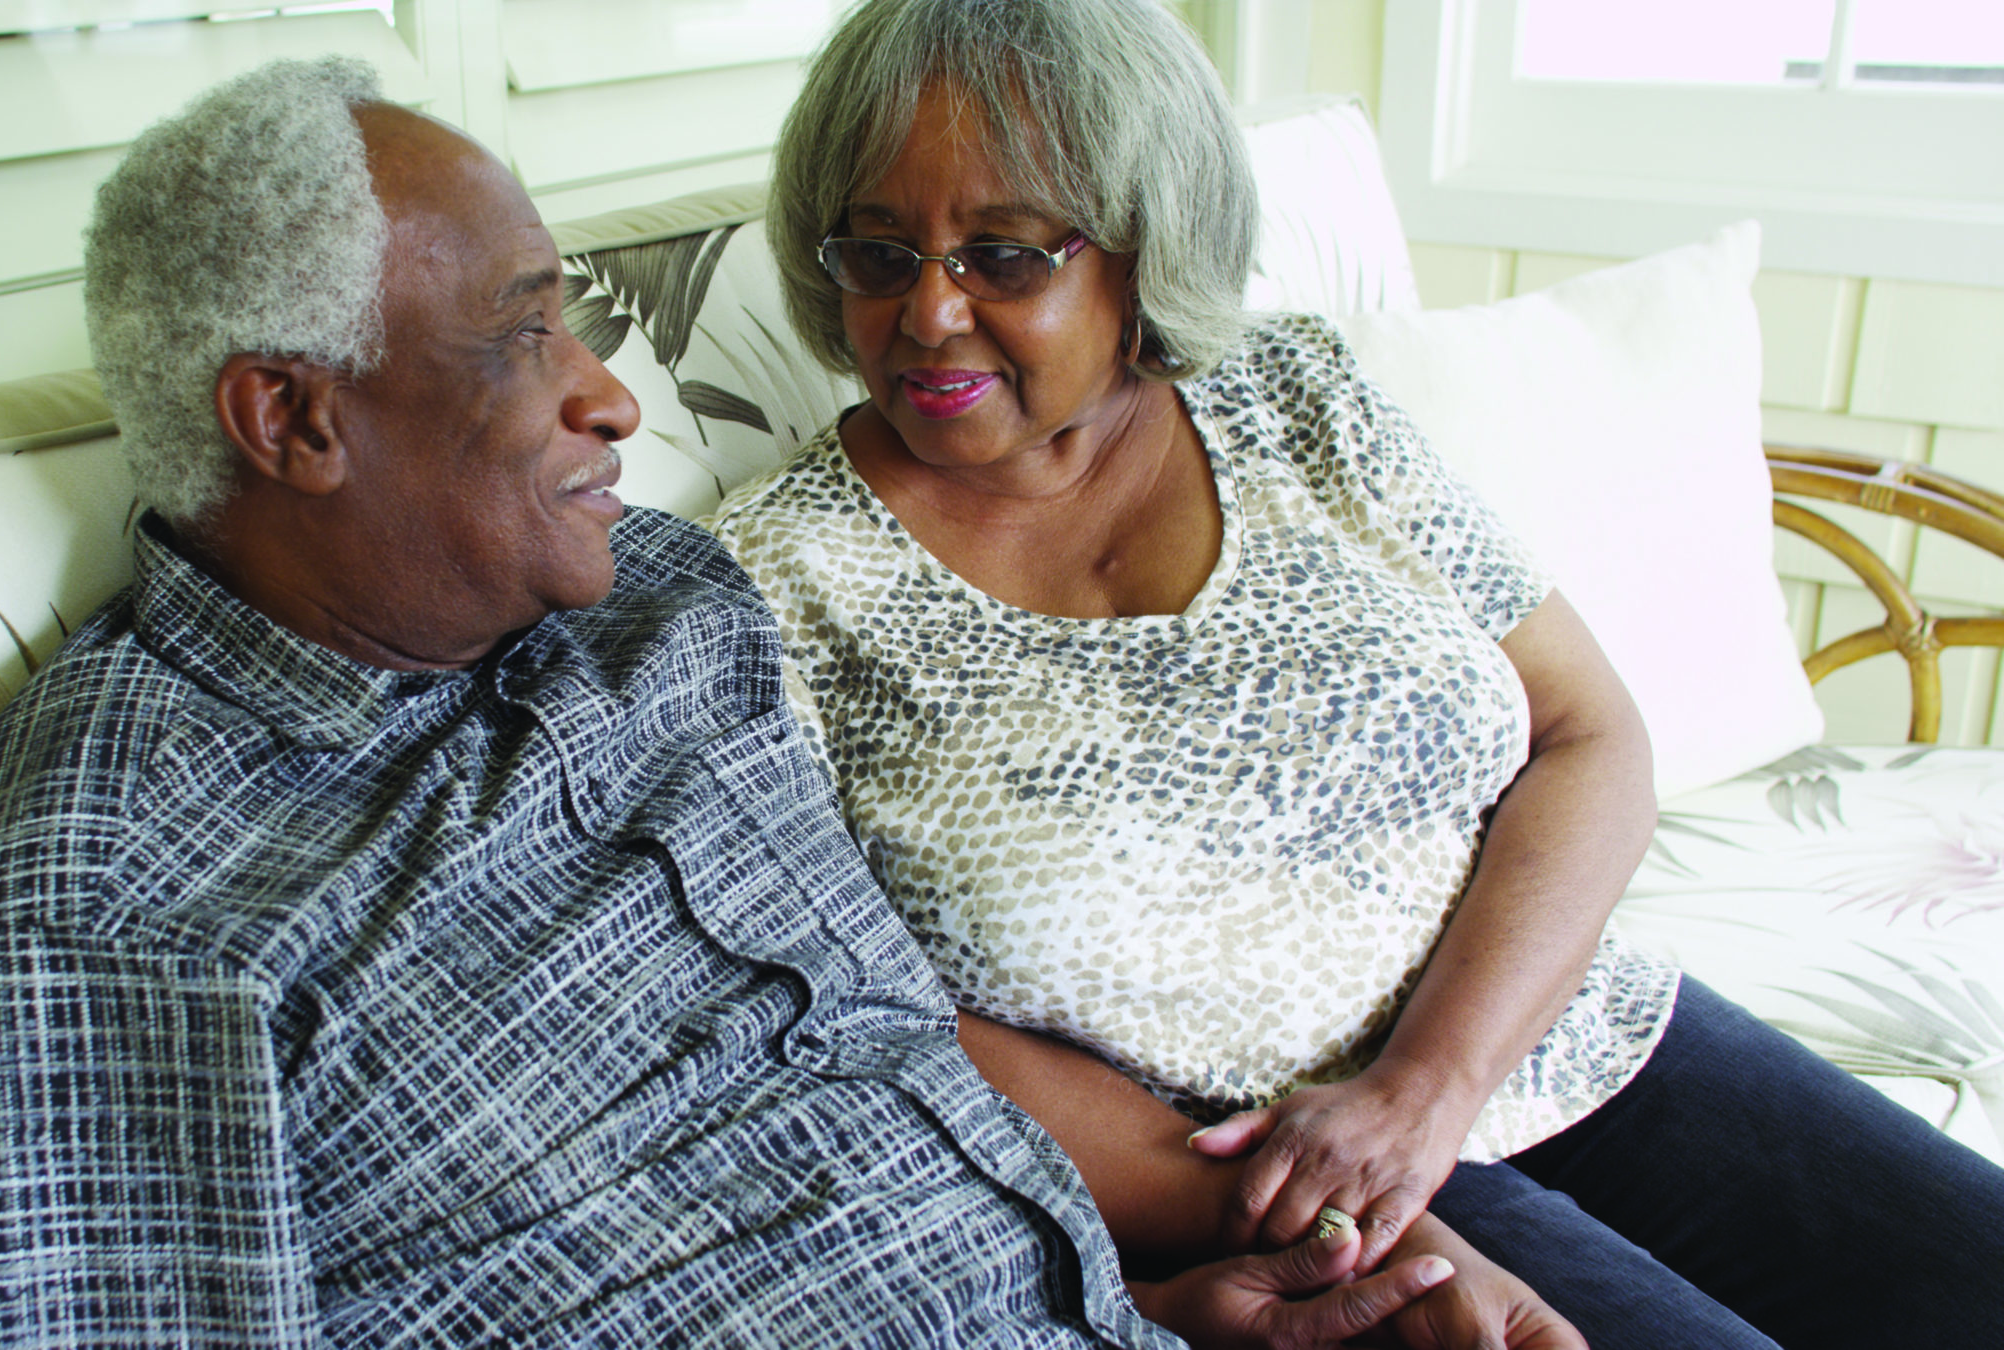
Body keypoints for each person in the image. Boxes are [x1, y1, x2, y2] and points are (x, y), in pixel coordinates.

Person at [0, 55, 1571, 1350]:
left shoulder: (661, 605)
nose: (610, 397)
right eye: (526, 338)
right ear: (292, 420)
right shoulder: (92, 913)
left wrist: (1193, 1300)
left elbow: (885, 1081)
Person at [705, 2, 2004, 1348]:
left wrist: (1428, 1087)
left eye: (1004, 255)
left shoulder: (1298, 398)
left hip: (1573, 1033)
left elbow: (1586, 731)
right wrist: (1328, 1209)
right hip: (1254, 1182)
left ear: (1143, 249)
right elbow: (858, 1015)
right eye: (876, 248)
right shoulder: (766, 586)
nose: (927, 310)